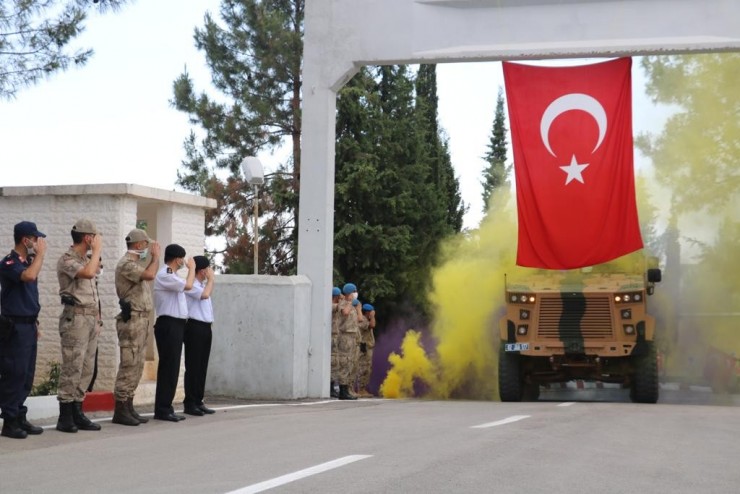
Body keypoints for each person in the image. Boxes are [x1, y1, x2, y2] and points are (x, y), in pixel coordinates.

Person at [0, 221, 47, 439]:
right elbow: (27, 277)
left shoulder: (29, 262)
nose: (37, 243)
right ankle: (9, 421)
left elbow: (31, 294)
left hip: (28, 323)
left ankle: (19, 414)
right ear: (25, 239)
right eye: (34, 239)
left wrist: (35, 321)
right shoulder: (9, 262)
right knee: (14, 373)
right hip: (15, 325)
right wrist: (40, 256)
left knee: (27, 375)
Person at [56, 218, 103, 433]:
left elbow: (95, 288)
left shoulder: (87, 260)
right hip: (75, 318)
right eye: (94, 237)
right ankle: (65, 415)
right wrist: (97, 249)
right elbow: (88, 273)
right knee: (72, 366)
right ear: (87, 238)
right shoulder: (67, 260)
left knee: (87, 367)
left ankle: (77, 410)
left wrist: (98, 317)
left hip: (91, 317)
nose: (96, 240)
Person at [111, 228, 160, 426]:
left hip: (141, 319)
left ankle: (129, 405)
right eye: (146, 245)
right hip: (132, 320)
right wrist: (155, 258)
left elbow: (144, 274)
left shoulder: (135, 264)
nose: (148, 248)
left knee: (137, 364)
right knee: (129, 363)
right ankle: (121, 408)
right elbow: (149, 275)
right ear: (139, 245)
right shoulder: (126, 264)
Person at [152, 244, 195, 422]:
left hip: (176, 324)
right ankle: (162, 408)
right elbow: (189, 285)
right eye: (183, 258)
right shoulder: (166, 274)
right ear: (177, 259)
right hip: (168, 324)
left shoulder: (173, 275)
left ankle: (166, 406)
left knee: (173, 367)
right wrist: (192, 269)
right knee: (169, 367)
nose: (184, 262)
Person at [183, 255, 216, 416]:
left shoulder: (202, 285)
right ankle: (190, 402)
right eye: (208, 269)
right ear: (202, 271)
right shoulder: (193, 286)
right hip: (194, 327)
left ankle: (198, 400)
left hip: (205, 327)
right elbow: (204, 295)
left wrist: (208, 282)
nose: (210, 272)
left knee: (202, 366)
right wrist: (211, 281)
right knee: (193, 366)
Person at [335, 283, 362, 400]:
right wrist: (350, 302)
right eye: (354, 291)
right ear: (349, 293)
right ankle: (342, 390)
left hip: (352, 336)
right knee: (344, 362)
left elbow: (359, 320)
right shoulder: (342, 304)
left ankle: (346, 389)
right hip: (345, 336)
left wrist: (358, 308)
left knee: (350, 363)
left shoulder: (352, 306)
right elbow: (345, 313)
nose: (356, 293)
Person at [357, 303, 377, 398]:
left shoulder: (366, 320)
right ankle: (361, 389)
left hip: (367, 347)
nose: (372, 313)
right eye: (371, 312)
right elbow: (372, 325)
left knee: (367, 368)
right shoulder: (364, 320)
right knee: (364, 368)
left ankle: (362, 389)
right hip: (364, 347)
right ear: (367, 312)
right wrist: (372, 316)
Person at [329, 286, 342, 398]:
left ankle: (333, 386)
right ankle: (330, 387)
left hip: (336, 336)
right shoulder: (332, 305)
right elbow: (342, 308)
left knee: (335, 363)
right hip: (331, 337)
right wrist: (345, 300)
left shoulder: (336, 306)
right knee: (332, 363)